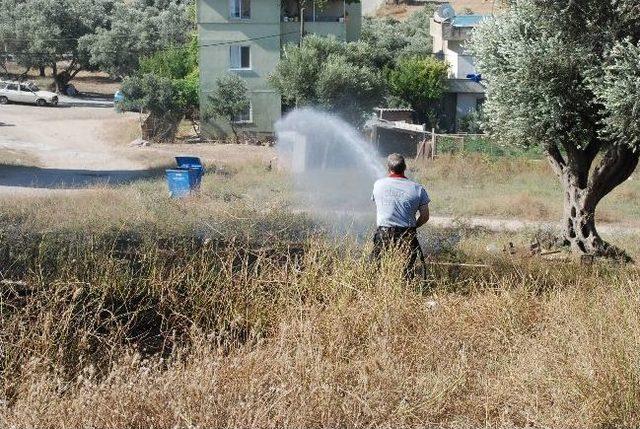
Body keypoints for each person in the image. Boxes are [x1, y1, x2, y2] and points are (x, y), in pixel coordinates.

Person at [371, 153, 431, 278]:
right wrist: (414, 226)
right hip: (407, 233)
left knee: (378, 267)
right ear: (405, 167)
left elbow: (378, 204)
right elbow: (425, 216)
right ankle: (406, 290)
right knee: (407, 269)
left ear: (388, 168)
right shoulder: (418, 188)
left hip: (383, 233)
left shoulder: (378, 185)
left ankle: (380, 288)